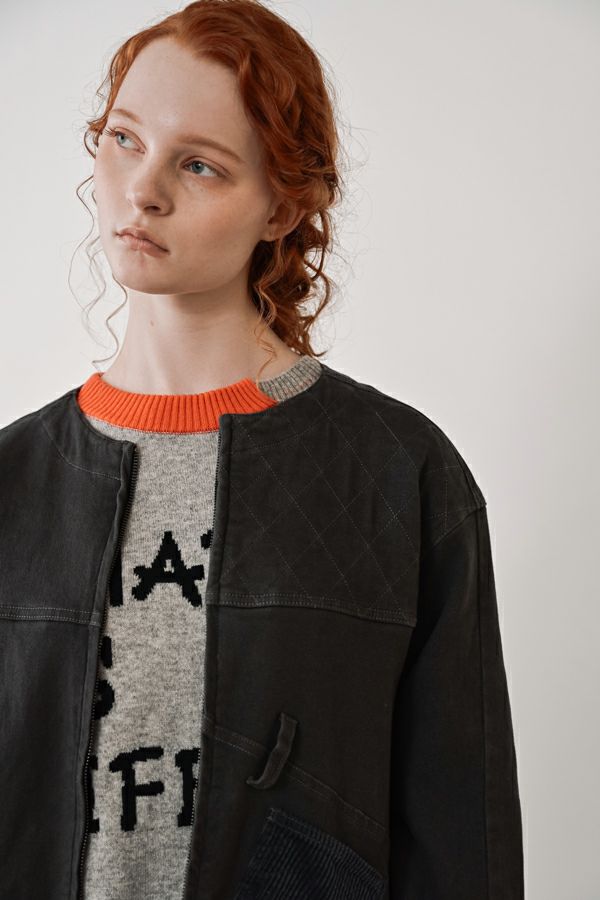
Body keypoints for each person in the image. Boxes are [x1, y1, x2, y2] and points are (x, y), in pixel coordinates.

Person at [0, 1, 524, 898]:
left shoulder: (401, 477)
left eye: (198, 163)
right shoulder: (12, 483)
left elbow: (460, 841)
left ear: (283, 206)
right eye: (124, 139)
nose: (142, 190)